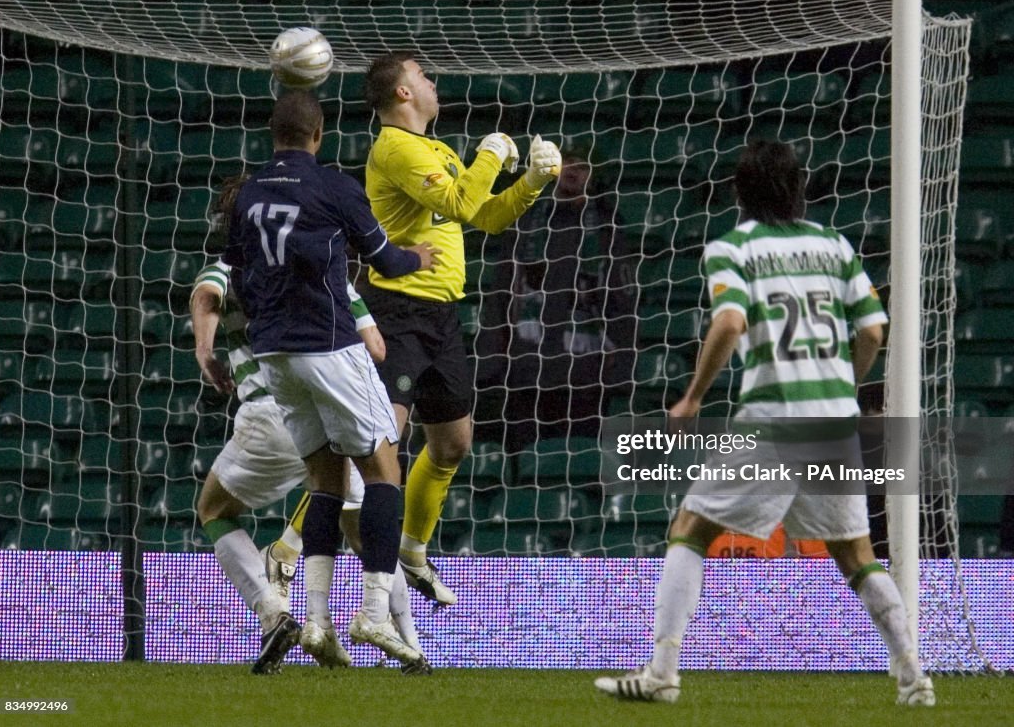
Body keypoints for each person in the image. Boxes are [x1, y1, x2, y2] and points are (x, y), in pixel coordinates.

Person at [594, 140, 935, 707]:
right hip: (832, 419)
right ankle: (913, 676)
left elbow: (728, 324)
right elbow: (874, 331)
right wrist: (842, 385)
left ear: (738, 192)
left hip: (775, 414)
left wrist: (692, 398)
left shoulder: (734, 247)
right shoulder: (836, 245)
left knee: (690, 528)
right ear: (800, 187)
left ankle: (661, 672)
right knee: (856, 553)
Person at [223, 89, 440, 672]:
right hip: (328, 343)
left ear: (274, 135)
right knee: (383, 467)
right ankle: (372, 612)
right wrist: (420, 256)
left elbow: (235, 275)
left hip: (273, 353)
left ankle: (316, 621)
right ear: (318, 135)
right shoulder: (335, 186)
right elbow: (389, 264)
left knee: (325, 478)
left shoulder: (246, 193)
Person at [361, 50, 561, 604]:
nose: (431, 81)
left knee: (451, 444)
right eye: (421, 75)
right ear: (403, 93)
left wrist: (534, 183)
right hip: (396, 311)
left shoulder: (439, 151)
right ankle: (288, 550)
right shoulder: (396, 147)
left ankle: (412, 547)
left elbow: (483, 215)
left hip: (441, 314)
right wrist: (493, 155)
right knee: (377, 447)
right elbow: (460, 198)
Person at [502, 153, 638, 448]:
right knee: (531, 461)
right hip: (530, 368)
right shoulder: (527, 220)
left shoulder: (607, 223)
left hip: (586, 371)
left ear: (593, 173)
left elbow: (623, 295)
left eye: (582, 164)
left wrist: (619, 356)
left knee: (584, 456)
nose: (573, 171)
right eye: (568, 162)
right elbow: (506, 289)